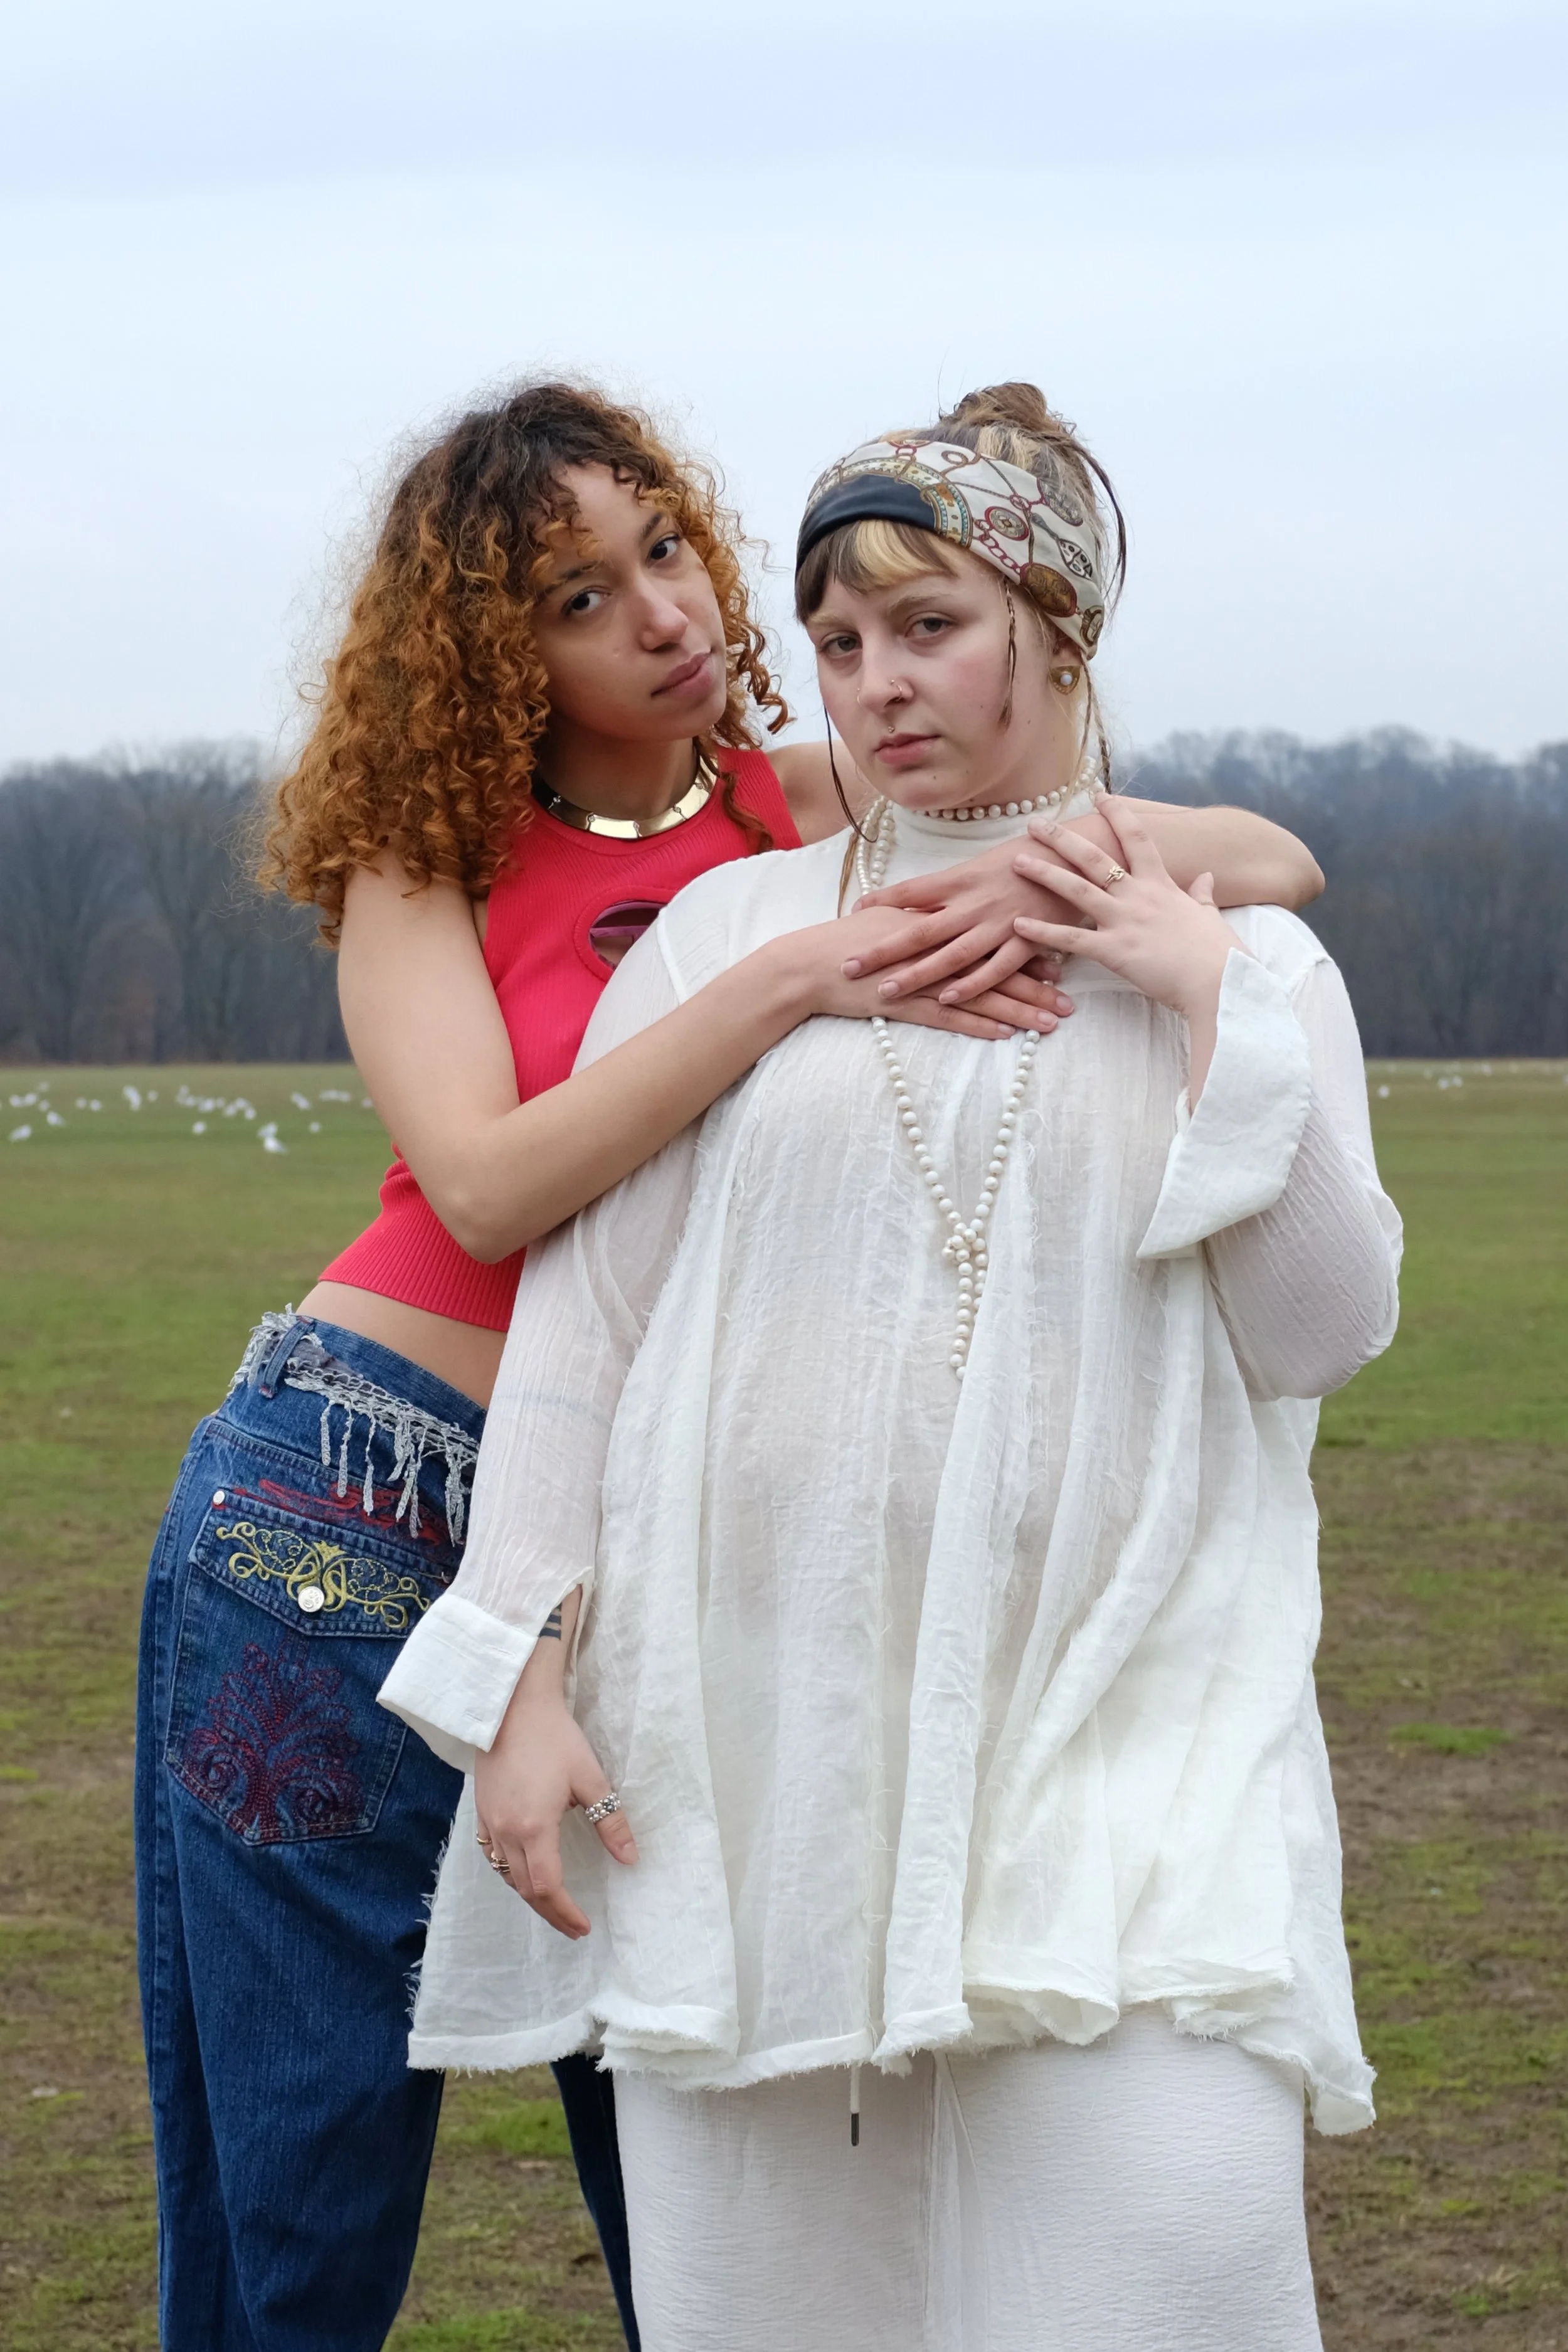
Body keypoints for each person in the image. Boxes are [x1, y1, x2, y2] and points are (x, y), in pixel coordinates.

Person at [134, 376, 1324, 2352]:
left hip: (648, 1554)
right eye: (579, 597)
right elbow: (488, 1186)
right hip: (349, 1513)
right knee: (299, 2195)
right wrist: (780, 975)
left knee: (710, 2141)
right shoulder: (425, 866)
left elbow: (1261, 852)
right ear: (486, 653)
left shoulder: (804, 805)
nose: (665, 612)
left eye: (665, 547)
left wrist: (1062, 886)